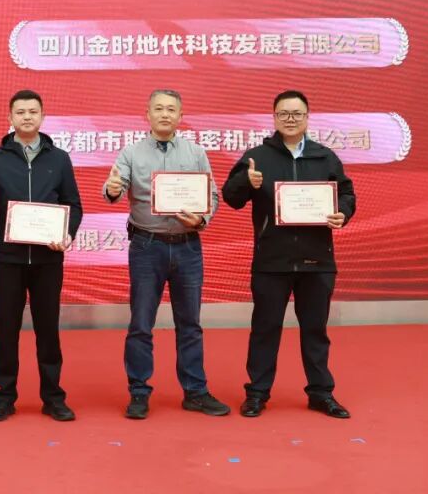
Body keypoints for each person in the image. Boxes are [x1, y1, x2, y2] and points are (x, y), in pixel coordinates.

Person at [222, 90, 356, 419]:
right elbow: (231, 198)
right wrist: (246, 181)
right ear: (274, 118)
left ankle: (321, 393)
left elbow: (346, 193)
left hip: (317, 259)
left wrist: (342, 212)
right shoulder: (257, 157)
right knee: (265, 329)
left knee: (315, 330)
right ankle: (257, 393)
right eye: (284, 114)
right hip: (272, 259)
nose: (290, 119)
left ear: (307, 117)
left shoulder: (325, 157)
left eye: (297, 113)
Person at [103, 89, 230, 419]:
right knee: (141, 323)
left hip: (188, 246)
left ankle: (195, 391)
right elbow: (115, 186)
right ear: (147, 114)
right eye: (158, 108)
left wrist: (201, 219)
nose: (164, 114)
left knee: (190, 324)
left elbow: (212, 195)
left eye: (171, 109)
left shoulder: (195, 152)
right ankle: (139, 391)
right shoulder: (131, 152)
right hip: (147, 247)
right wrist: (112, 190)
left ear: (180, 115)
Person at [0, 89, 83, 422]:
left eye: (33, 111)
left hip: (48, 260)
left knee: (48, 330)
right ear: (10, 118)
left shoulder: (59, 158)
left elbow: (73, 204)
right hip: (8, 260)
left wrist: (67, 233)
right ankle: (4, 397)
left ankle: (53, 397)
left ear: (42, 116)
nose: (27, 117)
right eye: (20, 112)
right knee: (7, 330)